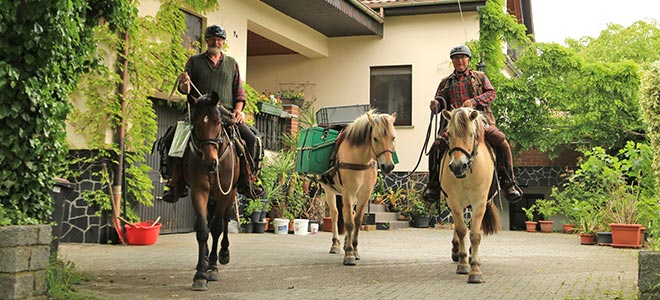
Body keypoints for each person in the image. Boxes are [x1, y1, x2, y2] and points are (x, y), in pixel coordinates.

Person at [162, 24, 264, 203]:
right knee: (172, 137)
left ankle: (249, 181)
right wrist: (184, 83)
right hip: (199, 113)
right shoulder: (194, 61)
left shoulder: (232, 63)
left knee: (251, 139)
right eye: (212, 39)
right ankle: (174, 181)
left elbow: (239, 92)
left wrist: (238, 111)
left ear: (223, 42)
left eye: (219, 39)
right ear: (207, 41)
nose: (216, 42)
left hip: (224, 114)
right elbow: (184, 89)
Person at [422, 45, 523, 203]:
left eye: (463, 57)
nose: (460, 61)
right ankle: (433, 186)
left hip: (479, 121)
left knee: (502, 142)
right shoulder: (445, 83)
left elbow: (491, 93)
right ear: (453, 62)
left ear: (468, 59)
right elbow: (439, 102)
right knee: (436, 147)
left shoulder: (480, 77)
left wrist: (474, 101)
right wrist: (435, 105)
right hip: (455, 125)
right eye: (456, 58)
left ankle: (508, 183)